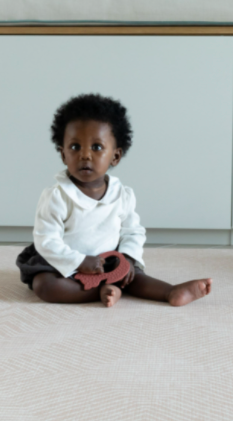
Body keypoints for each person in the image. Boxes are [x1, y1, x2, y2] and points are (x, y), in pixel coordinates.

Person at [16, 93, 213, 308]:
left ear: (115, 156)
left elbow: (132, 232)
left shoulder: (122, 195)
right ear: (63, 154)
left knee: (133, 275)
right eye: (75, 147)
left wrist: (127, 258)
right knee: (45, 286)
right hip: (65, 264)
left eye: (97, 147)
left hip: (108, 262)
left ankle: (170, 291)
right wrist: (80, 262)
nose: (85, 155)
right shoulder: (57, 196)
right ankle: (103, 290)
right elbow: (47, 241)